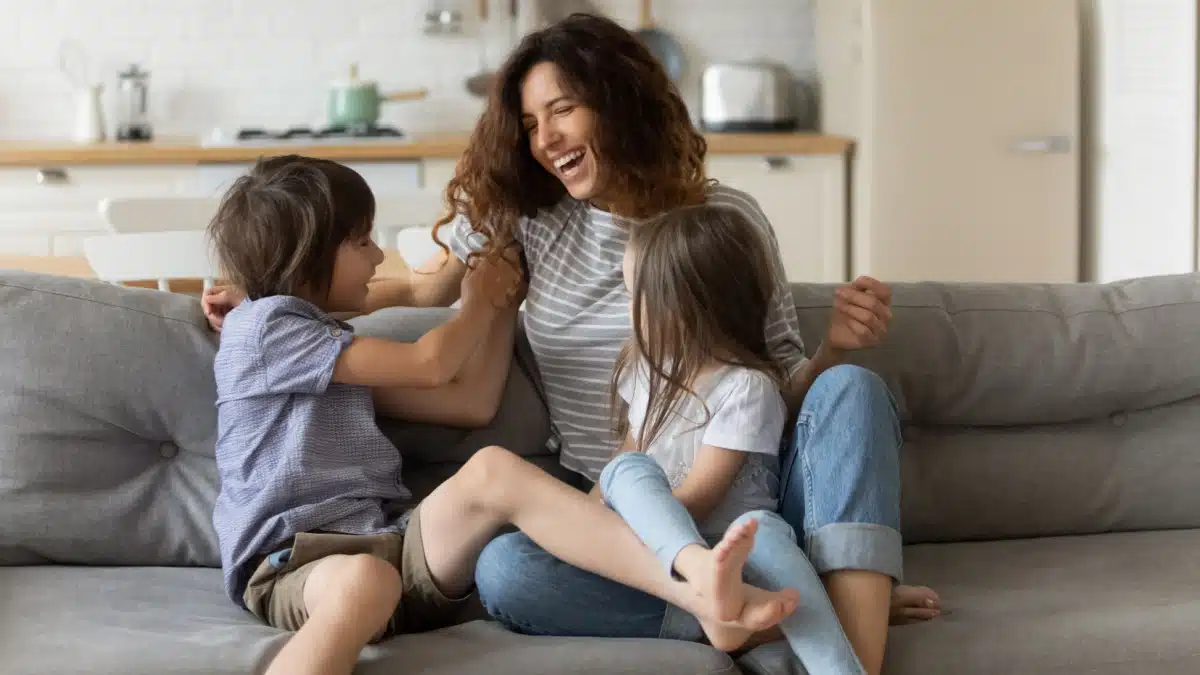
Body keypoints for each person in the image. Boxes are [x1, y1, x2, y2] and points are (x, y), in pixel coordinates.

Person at [202, 13, 941, 673]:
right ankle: (789, 598)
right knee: (508, 572)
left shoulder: (724, 220)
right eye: (529, 122)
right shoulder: (523, 219)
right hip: (622, 512)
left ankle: (839, 639)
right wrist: (268, 297)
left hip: (752, 491)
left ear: (620, 104)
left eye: (563, 109)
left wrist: (836, 348)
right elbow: (414, 290)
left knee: (854, 387)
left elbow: (776, 388)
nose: (545, 138)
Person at [205, 155, 801, 675]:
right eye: (361, 242)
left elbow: (468, 402)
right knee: (364, 584)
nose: (378, 254)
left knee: (492, 469)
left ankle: (698, 591)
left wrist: (499, 309)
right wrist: (473, 301)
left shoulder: (329, 354)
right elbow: (430, 364)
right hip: (293, 563)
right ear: (307, 257)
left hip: (390, 546)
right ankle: (704, 596)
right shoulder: (264, 329)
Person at [596, 202, 869, 673]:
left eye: (631, 293)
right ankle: (741, 624)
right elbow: (620, 469)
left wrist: (623, 530)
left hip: (729, 553)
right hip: (673, 555)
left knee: (767, 538)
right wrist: (579, 525)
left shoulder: (746, 389)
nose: (626, 309)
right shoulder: (644, 375)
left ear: (681, 305)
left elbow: (700, 501)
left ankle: (834, 664)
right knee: (622, 470)